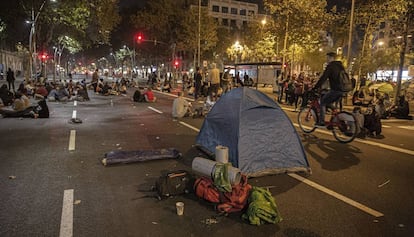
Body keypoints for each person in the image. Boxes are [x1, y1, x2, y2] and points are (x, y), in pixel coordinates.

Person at [313, 52, 345, 127]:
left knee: (323, 102)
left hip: (335, 89)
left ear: (331, 58)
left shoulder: (330, 66)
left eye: (327, 58)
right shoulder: (340, 66)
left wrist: (315, 87)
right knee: (329, 102)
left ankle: (321, 121)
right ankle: (335, 117)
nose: (326, 60)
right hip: (343, 90)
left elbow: (323, 78)